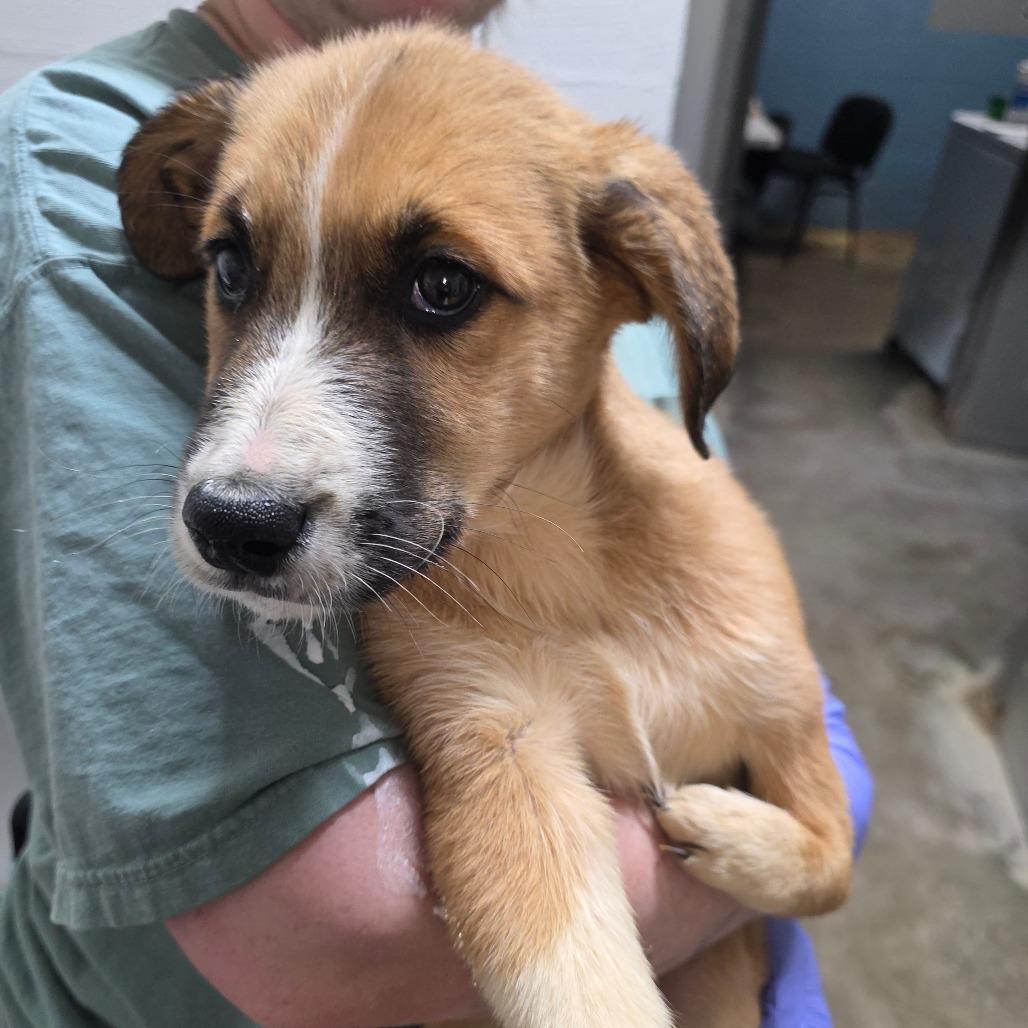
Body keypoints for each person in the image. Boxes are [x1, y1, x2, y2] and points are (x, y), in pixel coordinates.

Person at [0, 1, 873, 1024]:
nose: (244, 476)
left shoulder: (545, 193)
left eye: (441, 287)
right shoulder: (66, 160)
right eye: (233, 268)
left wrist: (812, 818)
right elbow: (339, 942)